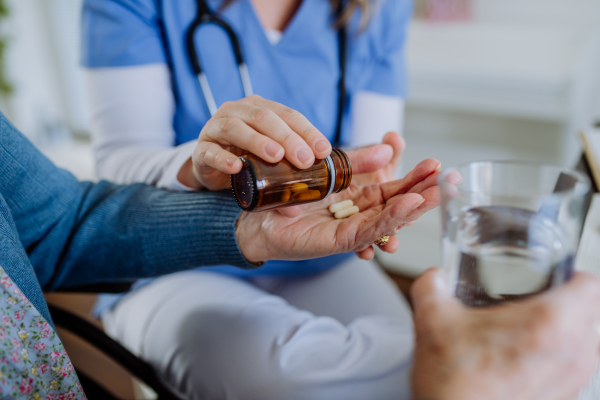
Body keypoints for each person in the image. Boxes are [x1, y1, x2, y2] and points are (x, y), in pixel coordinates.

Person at [1, 111, 599, 399]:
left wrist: (252, 230)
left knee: (394, 368)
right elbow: (117, 166)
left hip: (294, 237)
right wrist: (194, 165)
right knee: (289, 375)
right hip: (159, 275)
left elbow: (58, 225)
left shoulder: (367, 10)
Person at [81, 0, 419, 397]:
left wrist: (370, 195)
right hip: (175, 258)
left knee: (416, 367)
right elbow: (118, 168)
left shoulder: (379, 7)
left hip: (314, 251)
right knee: (278, 380)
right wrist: (197, 165)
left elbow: (365, 159)